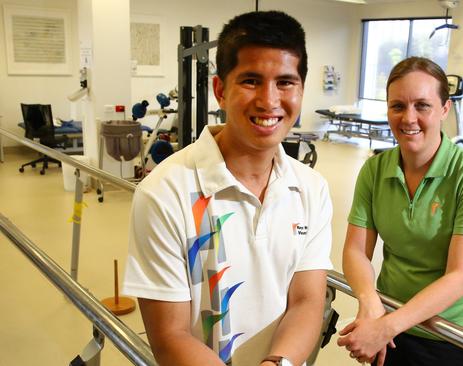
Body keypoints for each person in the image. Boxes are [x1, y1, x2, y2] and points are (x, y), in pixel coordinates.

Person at [122, 11, 333, 366]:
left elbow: (307, 301)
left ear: (300, 89)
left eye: (285, 82)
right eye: (251, 81)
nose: (269, 101)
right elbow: (169, 335)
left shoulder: (311, 188)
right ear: (220, 90)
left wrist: (277, 363)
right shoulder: (164, 193)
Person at [337, 57, 463, 366]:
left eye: (422, 105)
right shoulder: (375, 169)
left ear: (444, 109)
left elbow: (462, 274)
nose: (408, 118)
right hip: (392, 323)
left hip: (447, 333)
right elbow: (355, 250)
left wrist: (385, 327)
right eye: (397, 106)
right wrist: (370, 303)